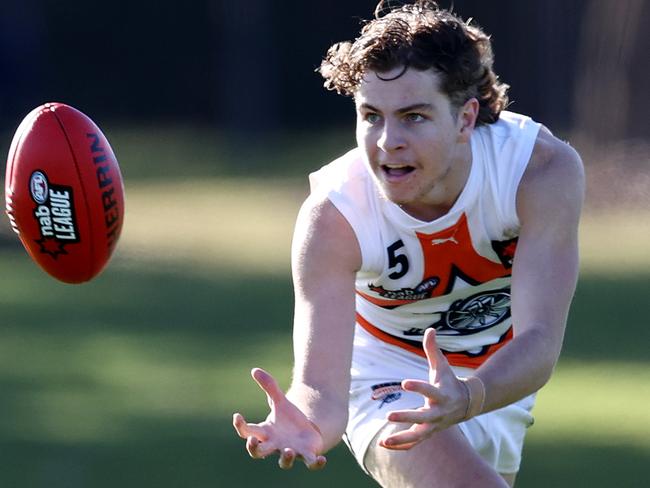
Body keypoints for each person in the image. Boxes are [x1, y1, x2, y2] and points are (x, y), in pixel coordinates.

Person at [233, 1, 584, 486]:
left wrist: (469, 395)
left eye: (414, 117)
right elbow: (322, 387)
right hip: (384, 381)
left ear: (466, 119)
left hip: (498, 379)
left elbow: (539, 341)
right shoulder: (335, 216)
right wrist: (308, 422)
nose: (386, 141)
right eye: (371, 115)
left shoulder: (538, 171)